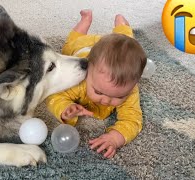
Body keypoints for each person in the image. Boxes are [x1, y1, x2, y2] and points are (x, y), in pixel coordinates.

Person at [45, 9, 147, 159]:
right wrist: (65, 109)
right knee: (70, 44)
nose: (105, 100)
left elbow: (133, 120)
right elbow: (54, 95)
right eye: (99, 92)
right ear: (88, 72)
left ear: (134, 83)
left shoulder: (130, 91)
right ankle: (85, 21)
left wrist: (115, 137)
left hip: (111, 51)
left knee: (126, 41)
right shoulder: (80, 80)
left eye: (118, 97)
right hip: (82, 48)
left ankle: (122, 25)